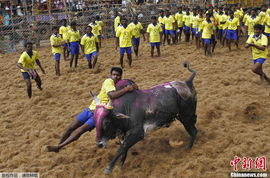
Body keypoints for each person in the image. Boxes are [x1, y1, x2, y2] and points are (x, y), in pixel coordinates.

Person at [46, 67, 138, 152]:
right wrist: (127, 89)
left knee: (80, 130)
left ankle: (59, 146)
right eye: (114, 74)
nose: (115, 77)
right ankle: (58, 146)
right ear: (111, 75)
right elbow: (112, 95)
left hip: (99, 114)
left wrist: (133, 88)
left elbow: (131, 90)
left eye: (117, 75)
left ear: (121, 76)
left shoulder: (119, 85)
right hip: (92, 109)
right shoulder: (109, 82)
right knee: (71, 128)